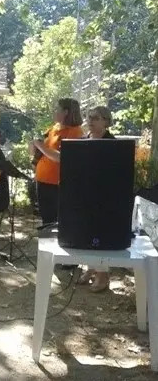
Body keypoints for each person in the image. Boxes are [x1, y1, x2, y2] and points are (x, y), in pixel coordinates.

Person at [30, 98, 84, 225]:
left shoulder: (76, 132)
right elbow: (39, 152)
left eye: (57, 109)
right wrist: (33, 146)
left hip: (58, 184)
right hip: (42, 180)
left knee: (56, 221)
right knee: (46, 219)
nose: (54, 111)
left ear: (66, 112)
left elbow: (62, 157)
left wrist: (40, 146)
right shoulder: (53, 128)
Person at [79, 106, 115, 292]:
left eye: (96, 117)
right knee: (86, 232)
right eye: (89, 116)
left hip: (105, 196)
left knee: (100, 235)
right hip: (84, 193)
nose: (90, 120)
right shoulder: (82, 141)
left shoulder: (113, 143)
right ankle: (91, 267)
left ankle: (103, 275)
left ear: (106, 121)